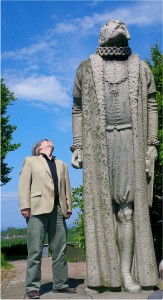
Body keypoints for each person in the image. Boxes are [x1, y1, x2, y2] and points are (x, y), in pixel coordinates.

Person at [71, 19, 159, 293]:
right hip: (99, 144)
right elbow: (77, 108)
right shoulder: (86, 69)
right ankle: (100, 276)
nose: (118, 25)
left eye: (121, 24)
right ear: (102, 35)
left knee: (127, 210)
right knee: (101, 210)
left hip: (130, 142)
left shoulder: (140, 67)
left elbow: (152, 104)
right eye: (112, 24)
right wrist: (78, 145)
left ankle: (125, 273)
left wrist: (151, 144)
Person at [19, 139, 76, 299]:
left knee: (60, 250)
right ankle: (32, 287)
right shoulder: (30, 161)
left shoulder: (62, 164)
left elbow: (67, 187)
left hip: (58, 210)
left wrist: (68, 207)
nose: (49, 140)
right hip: (36, 210)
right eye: (45, 140)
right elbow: (24, 185)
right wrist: (25, 206)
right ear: (39, 148)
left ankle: (60, 284)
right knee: (35, 250)